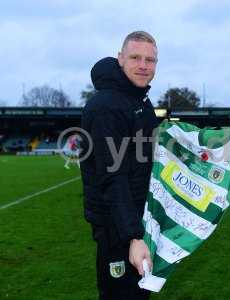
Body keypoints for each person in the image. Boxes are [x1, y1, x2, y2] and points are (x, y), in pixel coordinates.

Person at [80, 31, 159, 300]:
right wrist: (134, 237)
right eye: (135, 57)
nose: (143, 66)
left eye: (150, 60)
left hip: (136, 219)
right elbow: (113, 178)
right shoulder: (107, 107)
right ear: (120, 58)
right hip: (118, 229)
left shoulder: (137, 100)